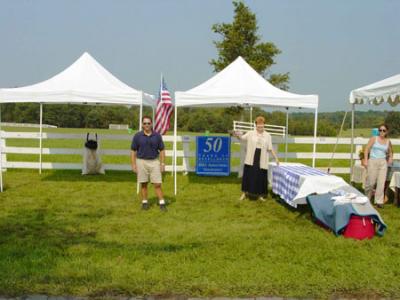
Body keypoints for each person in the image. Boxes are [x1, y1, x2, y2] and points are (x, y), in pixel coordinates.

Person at [232, 116, 280, 201]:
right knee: (248, 175)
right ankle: (244, 193)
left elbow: (270, 148)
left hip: (262, 158)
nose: (260, 128)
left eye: (262, 126)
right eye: (258, 126)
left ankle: (260, 195)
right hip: (251, 157)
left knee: (261, 176)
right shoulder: (250, 133)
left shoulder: (268, 135)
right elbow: (242, 138)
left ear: (264, 125)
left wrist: (276, 158)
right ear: (256, 125)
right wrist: (237, 135)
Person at [131, 116, 167, 211]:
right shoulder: (137, 136)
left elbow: (162, 150)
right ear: (142, 125)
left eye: (148, 123)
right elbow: (133, 151)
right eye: (144, 123)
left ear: (151, 124)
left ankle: (162, 203)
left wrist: (162, 164)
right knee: (143, 183)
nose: (146, 125)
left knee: (157, 184)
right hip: (141, 162)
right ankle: (145, 202)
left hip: (154, 162)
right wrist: (133, 164)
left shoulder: (157, 136)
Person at [362, 124, 393, 208]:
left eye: (384, 130)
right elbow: (367, 149)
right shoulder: (374, 139)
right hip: (373, 161)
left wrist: (390, 158)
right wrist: (365, 160)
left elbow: (390, 152)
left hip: (383, 163)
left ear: (387, 132)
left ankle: (379, 202)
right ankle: (367, 199)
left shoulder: (388, 141)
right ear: (378, 131)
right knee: (370, 182)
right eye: (380, 130)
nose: (381, 132)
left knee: (381, 183)